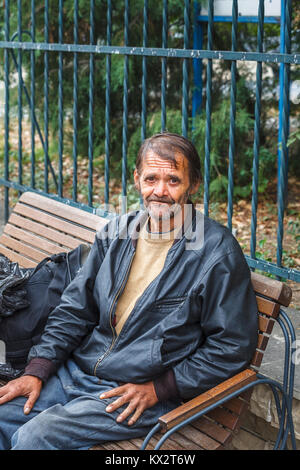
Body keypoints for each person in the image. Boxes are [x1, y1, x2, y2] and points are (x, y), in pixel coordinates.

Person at [0, 132, 258, 450]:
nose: (160, 191)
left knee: (33, 438)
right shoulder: (117, 233)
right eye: (151, 178)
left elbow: (232, 346)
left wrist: (159, 388)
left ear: (193, 185)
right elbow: (75, 308)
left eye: (173, 180)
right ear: (137, 179)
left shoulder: (216, 252)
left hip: (139, 393)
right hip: (79, 372)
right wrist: (37, 369)